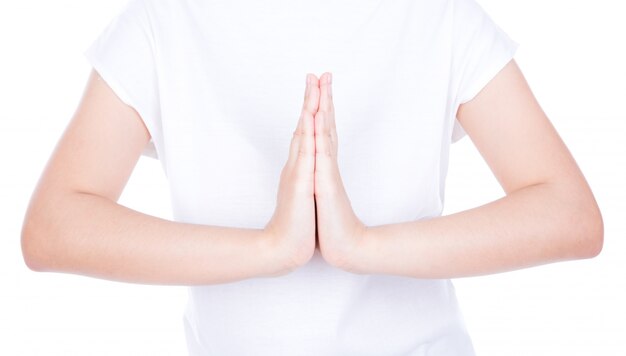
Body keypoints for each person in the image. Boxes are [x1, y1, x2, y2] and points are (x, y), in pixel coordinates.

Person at [21, 0, 603, 354]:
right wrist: (273, 247)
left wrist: (362, 245)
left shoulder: (433, 13)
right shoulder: (165, 19)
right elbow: (53, 227)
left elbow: (569, 214)